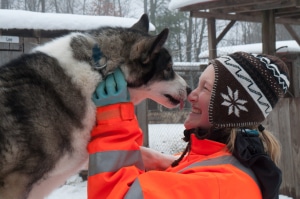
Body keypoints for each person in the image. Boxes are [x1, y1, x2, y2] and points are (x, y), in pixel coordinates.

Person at [88, 51, 290, 199]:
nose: (191, 95)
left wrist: (114, 122)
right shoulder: (208, 160)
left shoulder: (219, 183)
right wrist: (157, 162)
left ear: (230, 108)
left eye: (206, 88)